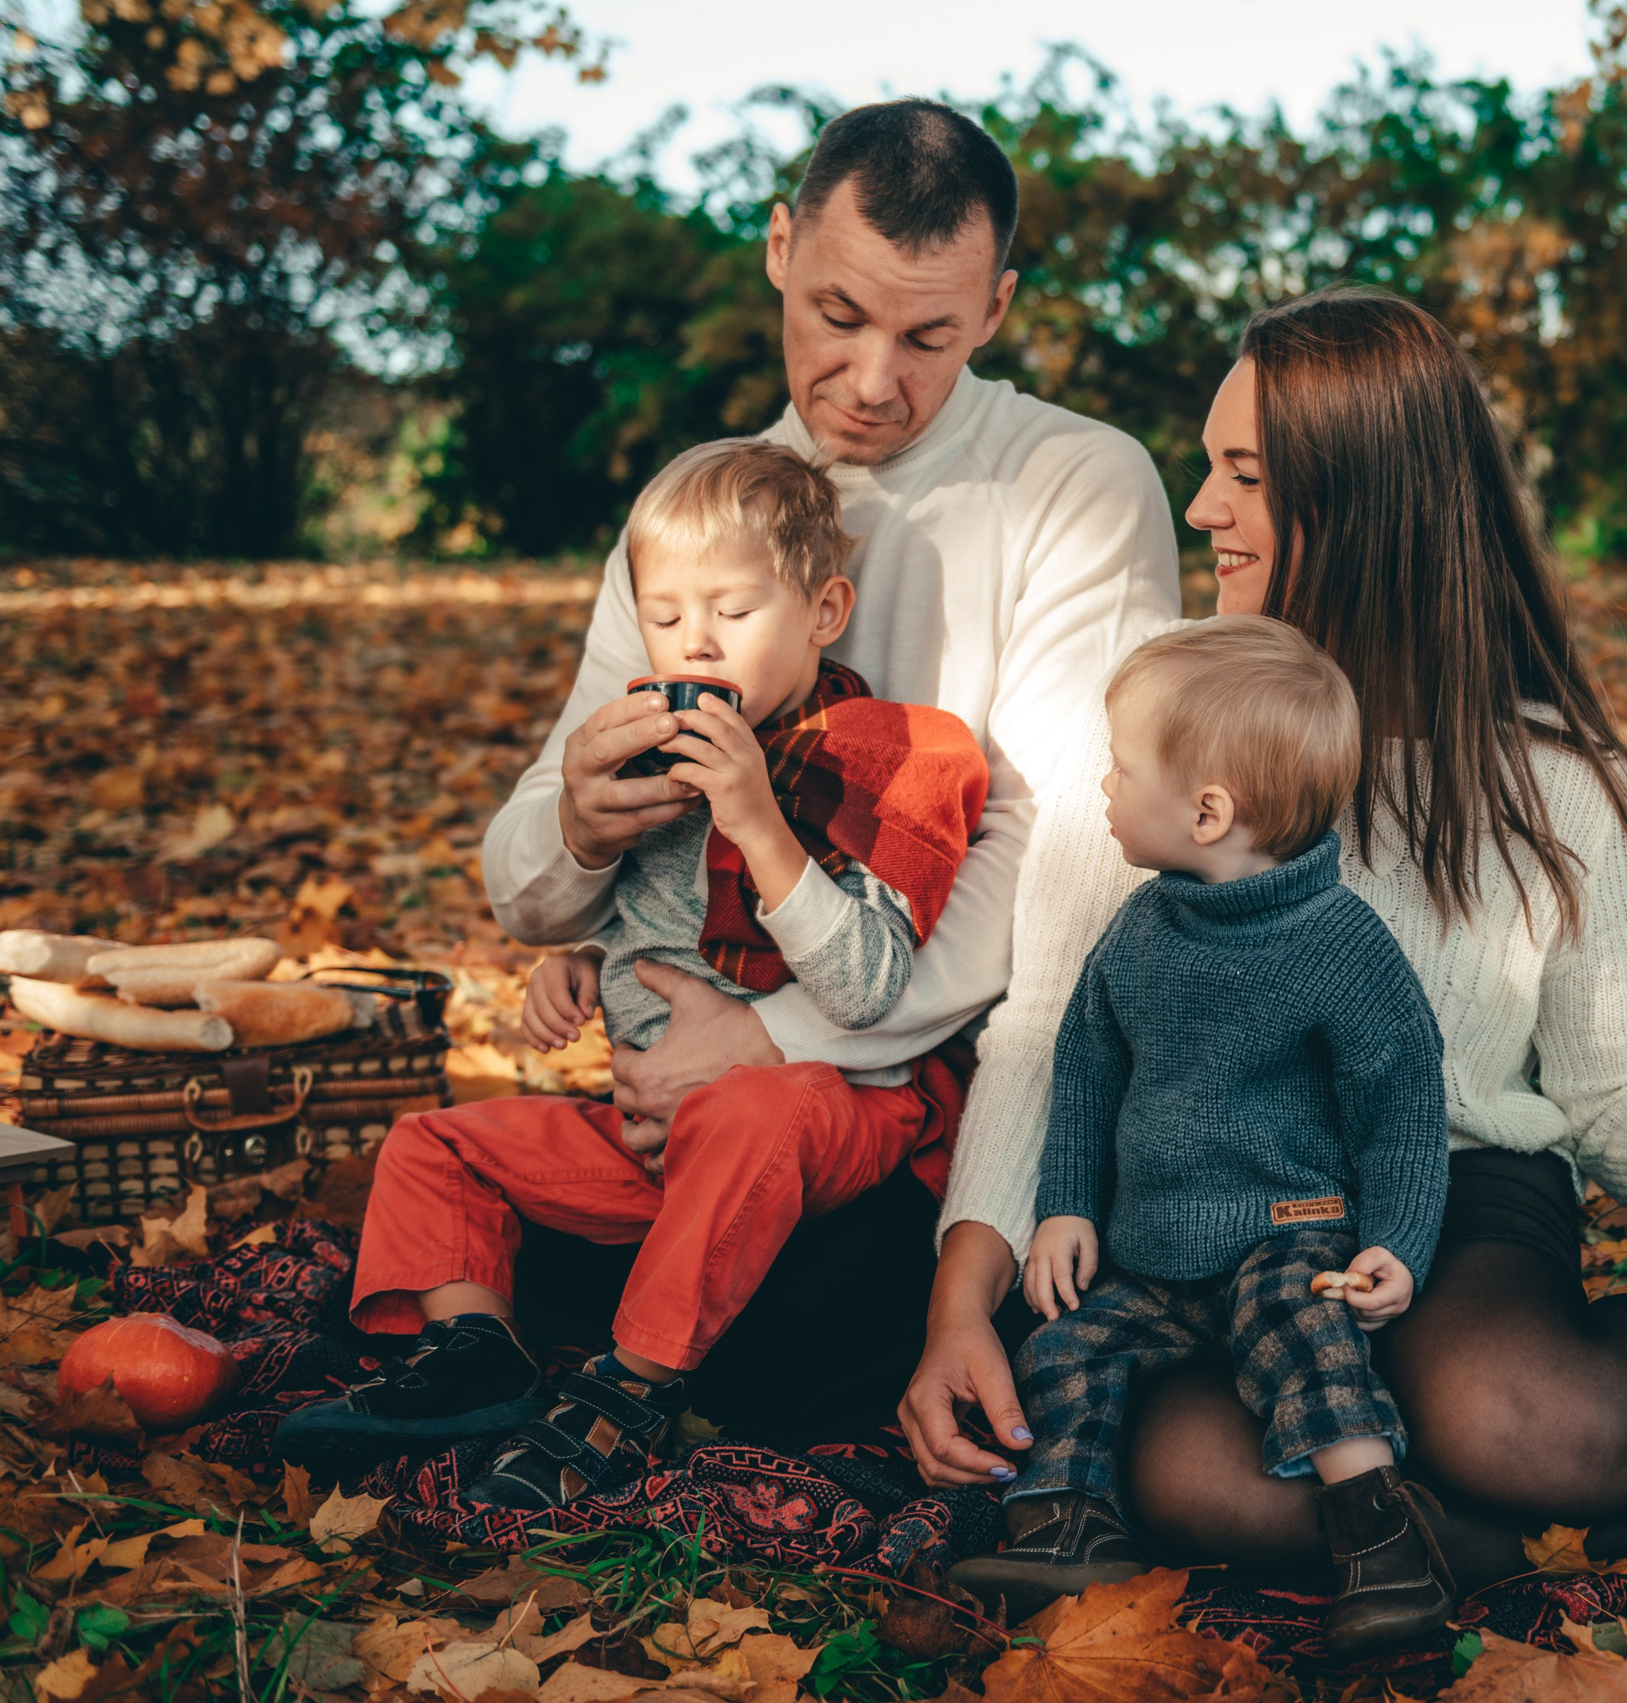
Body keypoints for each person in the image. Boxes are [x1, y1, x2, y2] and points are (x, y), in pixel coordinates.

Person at [905, 289, 1627, 1609]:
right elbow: (1052, 1026)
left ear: (1359, 500)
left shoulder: (1545, 780)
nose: (1199, 509)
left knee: (1514, 1419)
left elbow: (1613, 1078)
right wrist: (967, 1296)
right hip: (1224, 1223)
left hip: (1460, 1196)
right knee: (1190, 1475)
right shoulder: (1156, 736)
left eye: (1241, 474)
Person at [471, 98, 1180, 1425]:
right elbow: (530, 881)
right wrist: (575, 822)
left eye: (929, 337)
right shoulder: (704, 501)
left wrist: (766, 1042)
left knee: (790, 1346)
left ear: (997, 308)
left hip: (953, 1097)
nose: (870, 380)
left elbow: (1053, 870)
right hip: (690, 1099)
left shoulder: (1078, 483)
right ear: (781, 249)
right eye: (838, 316)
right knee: (486, 1198)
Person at [280, 439, 990, 1506]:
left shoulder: (897, 754)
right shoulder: (649, 754)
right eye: (664, 616)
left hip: (825, 1111)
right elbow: (646, 918)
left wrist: (758, 821)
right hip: (654, 1135)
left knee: (759, 1112)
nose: (692, 642)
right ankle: (478, 1354)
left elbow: (868, 985)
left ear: (824, 609)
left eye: (734, 612)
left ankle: (632, 1388)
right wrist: (579, 962)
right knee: (434, 1143)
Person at [949, 621, 1452, 1658]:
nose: (1104, 783)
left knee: (1302, 1332)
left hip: (1292, 1230)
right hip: (1154, 1252)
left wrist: (1396, 1241)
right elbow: (1085, 1069)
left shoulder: (1341, 945)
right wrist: (1065, 1204)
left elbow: (1401, 1102)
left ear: (1209, 810)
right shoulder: (1141, 928)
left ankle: (1379, 1535)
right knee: (1067, 1346)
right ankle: (1065, 1520)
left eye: (1123, 767)